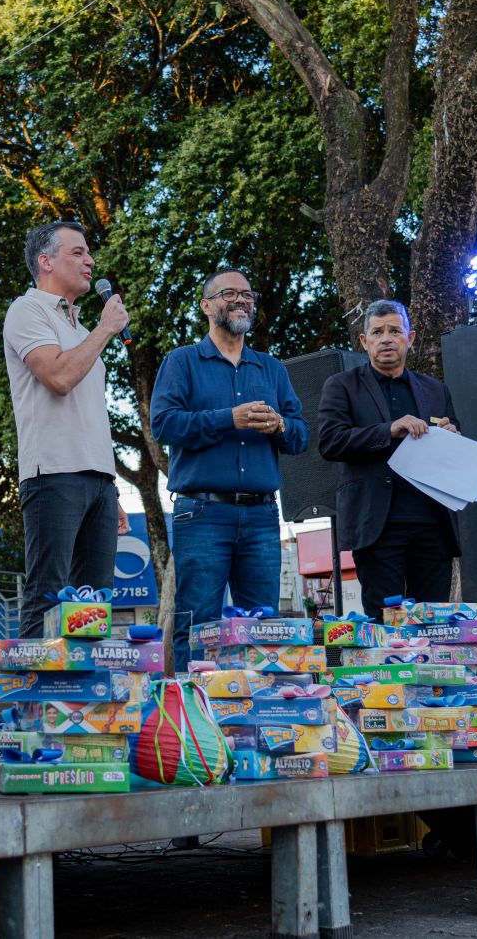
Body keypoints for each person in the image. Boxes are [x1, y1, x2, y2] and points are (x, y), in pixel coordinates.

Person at [150, 268, 309, 669]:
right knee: (199, 622)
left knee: (264, 626)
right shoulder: (182, 361)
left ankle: (256, 719)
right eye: (229, 294)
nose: (241, 300)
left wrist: (281, 425)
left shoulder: (271, 369)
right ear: (206, 306)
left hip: (261, 514)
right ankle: (194, 716)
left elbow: (302, 435)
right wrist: (228, 418)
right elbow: (164, 424)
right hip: (202, 512)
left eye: (247, 294)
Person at [3, 222, 130, 638]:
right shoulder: (27, 309)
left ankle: (84, 701)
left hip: (98, 480)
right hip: (53, 474)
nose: (90, 261)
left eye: (88, 253)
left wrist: (107, 482)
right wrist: (106, 329)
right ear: (46, 261)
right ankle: (32, 701)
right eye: (77, 252)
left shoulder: (80, 330)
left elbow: (89, 410)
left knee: (95, 603)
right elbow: (58, 377)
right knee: (48, 596)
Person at [316, 299, 460, 612]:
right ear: (364, 341)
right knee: (384, 625)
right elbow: (330, 442)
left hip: (434, 525)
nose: (386, 338)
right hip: (377, 525)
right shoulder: (342, 386)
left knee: (433, 624)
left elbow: (455, 441)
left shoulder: (436, 390)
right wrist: (389, 429)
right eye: (377, 331)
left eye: (395, 330)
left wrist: (452, 436)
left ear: (410, 339)